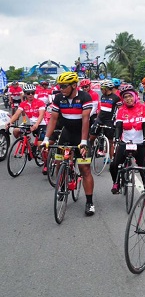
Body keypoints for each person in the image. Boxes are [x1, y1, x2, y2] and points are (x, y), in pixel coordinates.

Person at [41, 72, 96, 216]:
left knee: (85, 169)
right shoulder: (59, 98)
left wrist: (84, 142)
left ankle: (89, 202)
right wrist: (46, 139)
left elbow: (85, 120)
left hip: (81, 134)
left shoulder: (85, 97)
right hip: (66, 134)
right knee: (59, 163)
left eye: (64, 86)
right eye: (60, 86)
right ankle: (63, 184)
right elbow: (53, 119)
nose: (61, 88)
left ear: (74, 85)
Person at [109, 85, 145, 194]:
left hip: (140, 142)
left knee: (143, 169)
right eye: (125, 97)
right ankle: (116, 182)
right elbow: (118, 126)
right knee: (114, 165)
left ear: (135, 96)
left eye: (130, 96)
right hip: (125, 142)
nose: (128, 99)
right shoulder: (121, 110)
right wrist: (117, 139)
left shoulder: (143, 108)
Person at [6, 83, 46, 158]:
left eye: (32, 93)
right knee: (15, 130)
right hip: (31, 124)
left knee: (40, 145)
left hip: (41, 124)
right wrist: (10, 122)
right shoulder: (23, 104)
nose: (30, 95)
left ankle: (45, 164)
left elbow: (41, 115)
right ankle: (25, 142)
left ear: (34, 93)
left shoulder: (40, 102)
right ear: (25, 94)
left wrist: (36, 124)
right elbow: (16, 114)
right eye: (28, 93)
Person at [90, 79, 121, 165]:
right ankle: (89, 152)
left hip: (109, 121)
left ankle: (111, 160)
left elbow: (120, 110)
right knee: (91, 137)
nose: (101, 90)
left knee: (110, 141)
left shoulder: (116, 98)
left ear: (107, 88)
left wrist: (118, 121)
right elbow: (101, 109)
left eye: (102, 88)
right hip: (100, 119)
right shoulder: (103, 96)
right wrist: (97, 119)